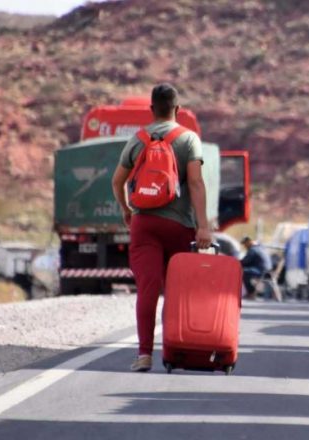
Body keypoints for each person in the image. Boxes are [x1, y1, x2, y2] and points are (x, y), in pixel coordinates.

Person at [111, 83, 211, 373]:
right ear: (177, 110)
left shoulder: (138, 139)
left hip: (145, 225)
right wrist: (203, 226)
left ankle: (144, 354)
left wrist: (126, 209)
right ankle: (172, 350)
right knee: (175, 291)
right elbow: (195, 183)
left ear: (151, 109)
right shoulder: (189, 139)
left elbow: (117, 181)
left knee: (148, 289)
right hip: (179, 226)